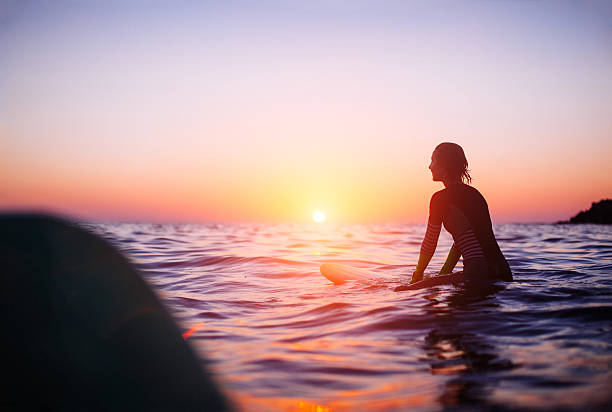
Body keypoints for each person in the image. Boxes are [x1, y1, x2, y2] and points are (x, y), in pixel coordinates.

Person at [396, 142, 512, 291]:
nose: (429, 166)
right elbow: (464, 239)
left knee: (402, 291)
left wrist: (417, 275)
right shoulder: (476, 195)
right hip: (503, 271)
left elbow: (430, 242)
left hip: (479, 273)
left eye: (433, 160)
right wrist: (444, 272)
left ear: (444, 164)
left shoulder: (440, 198)